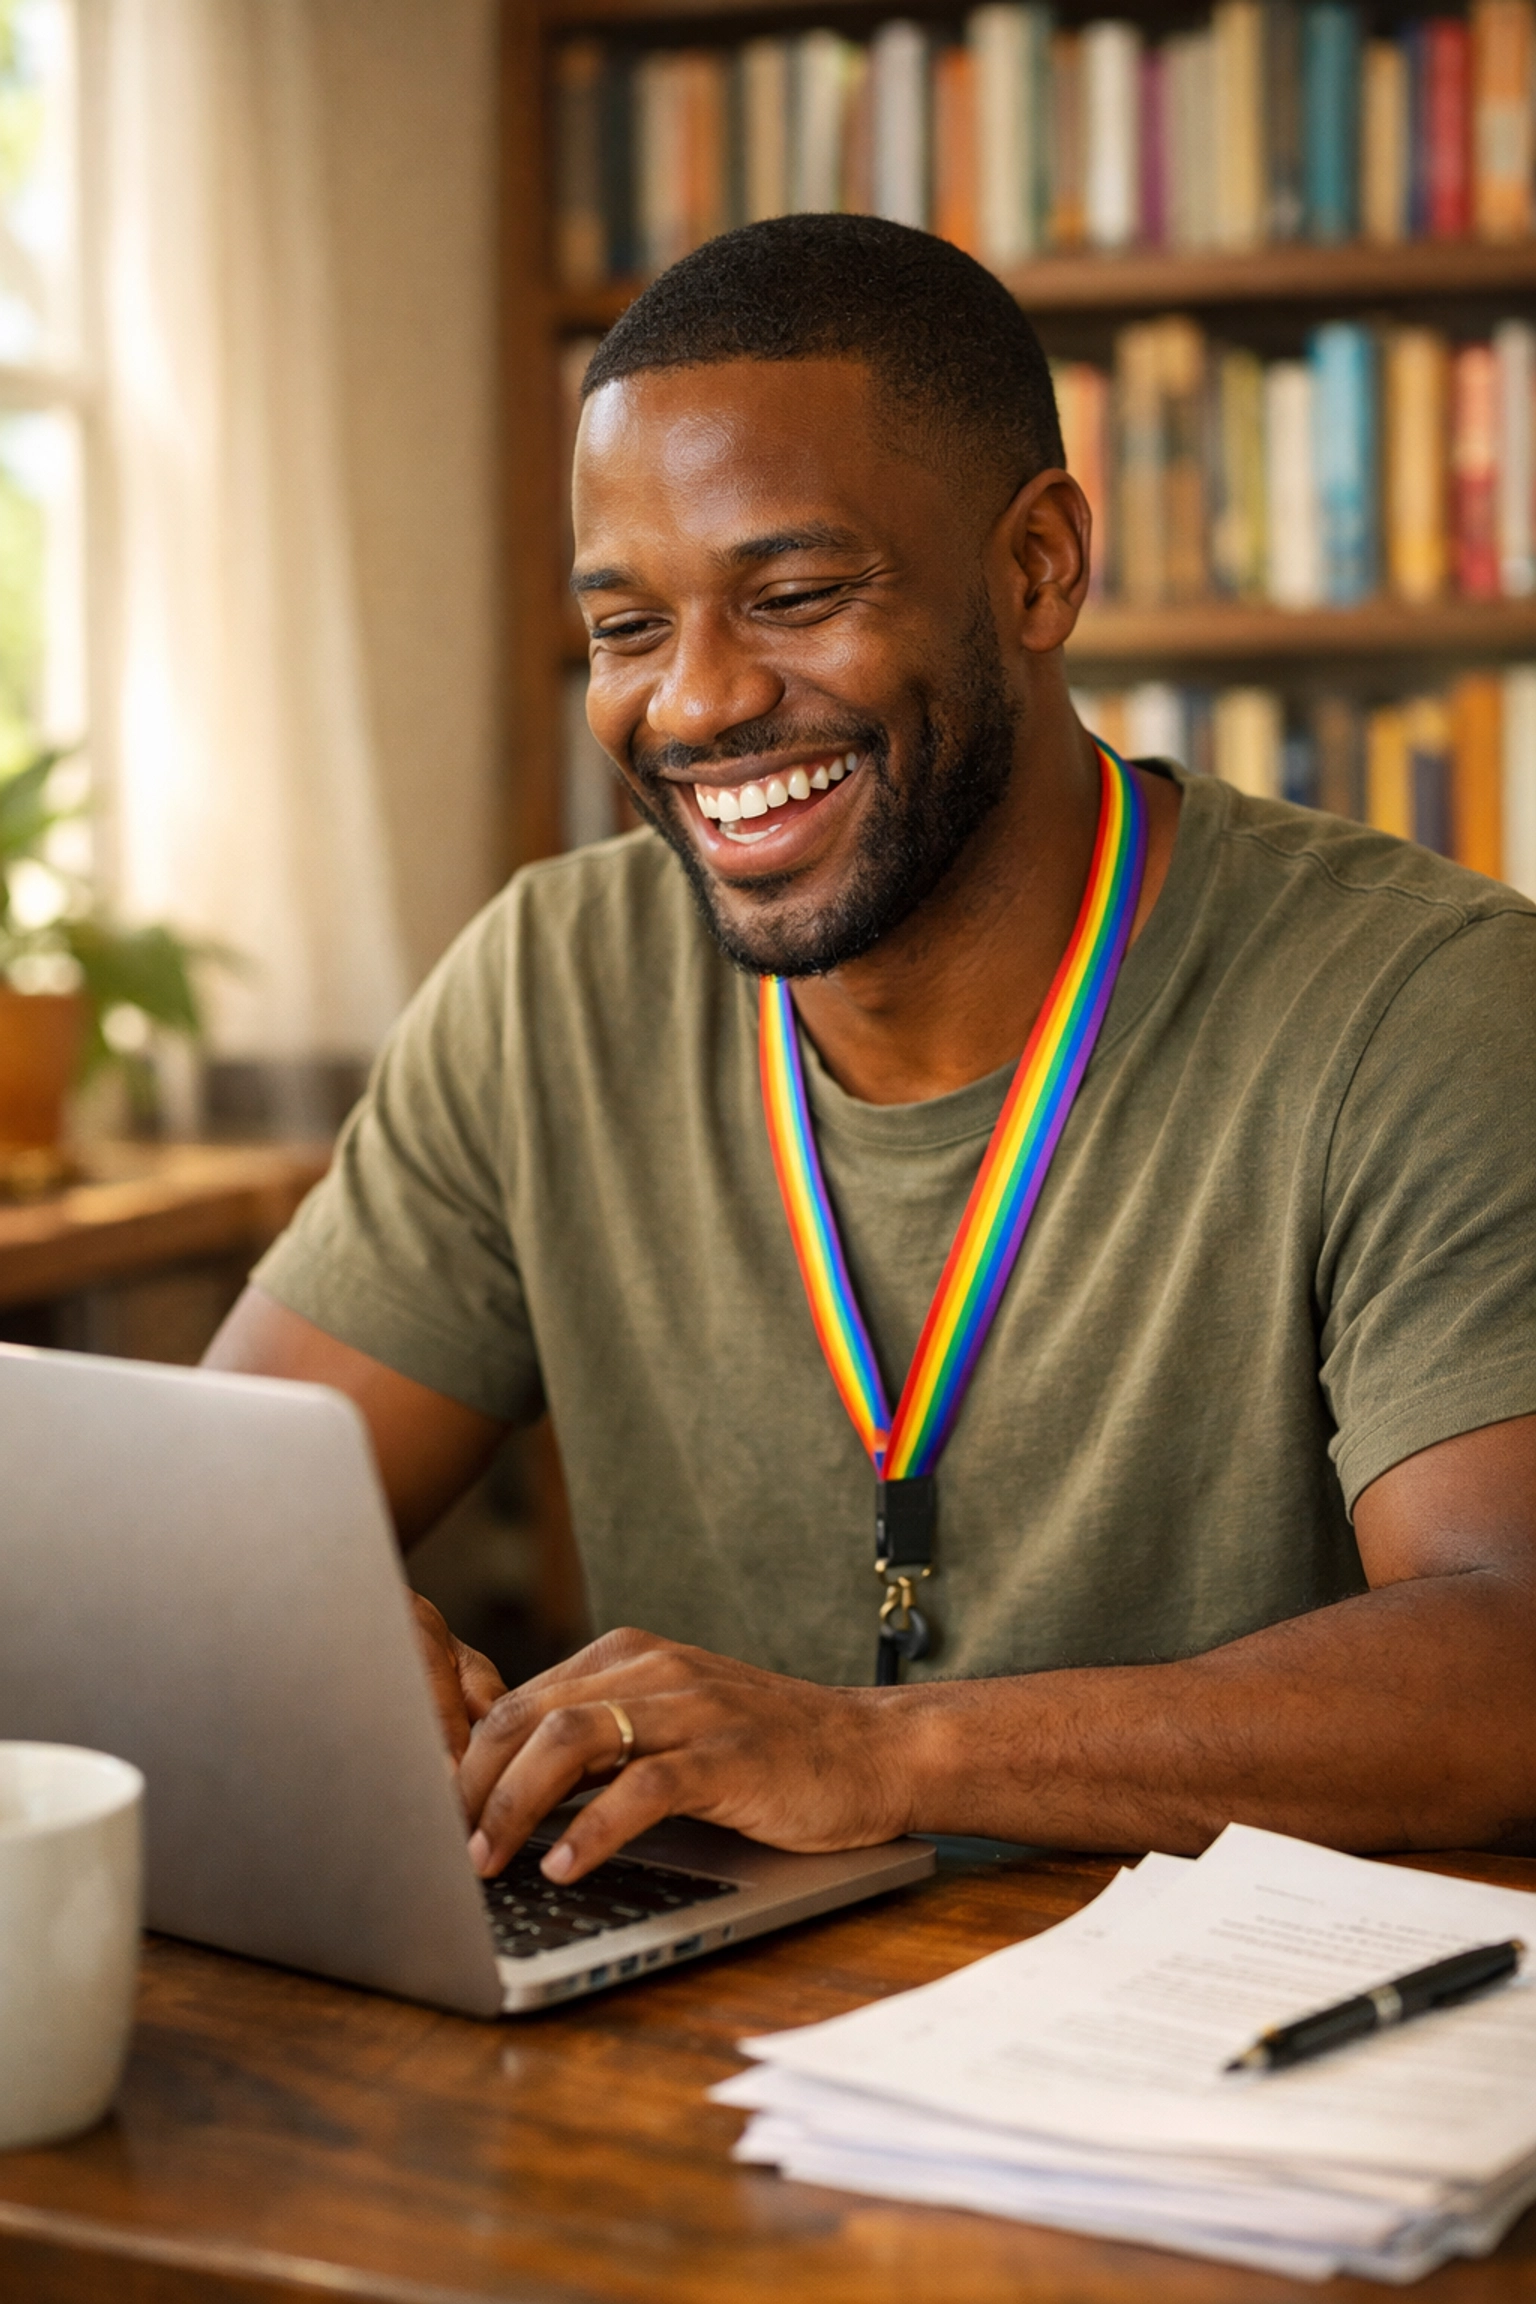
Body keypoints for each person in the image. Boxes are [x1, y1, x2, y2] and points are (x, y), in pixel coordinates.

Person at [208, 215, 1536, 1890]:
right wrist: (305, 1629)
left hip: (1217, 2071)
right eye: (627, 629)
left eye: (796, 595)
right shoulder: (549, 982)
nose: (692, 707)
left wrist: (881, 1749)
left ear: (1039, 567)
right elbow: (207, 1514)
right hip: (710, 2038)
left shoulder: (1422, 1003)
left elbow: (1513, 1666)